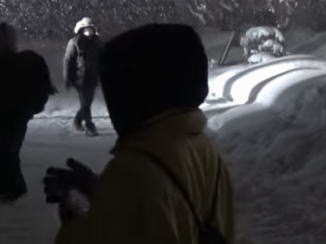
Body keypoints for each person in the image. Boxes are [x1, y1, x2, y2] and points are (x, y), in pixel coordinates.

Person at [44, 24, 235, 243]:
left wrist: (76, 218)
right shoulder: (203, 149)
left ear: (135, 92)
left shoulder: (132, 173)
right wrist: (104, 194)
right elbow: (166, 214)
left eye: (115, 89)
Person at [0, 22, 56, 202]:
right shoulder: (24, 62)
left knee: (8, 151)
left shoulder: (21, 62)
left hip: (13, 115)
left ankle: (13, 188)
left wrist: (25, 110)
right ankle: (13, 187)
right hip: (15, 115)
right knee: (9, 151)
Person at [63, 17, 103, 136]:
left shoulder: (97, 42)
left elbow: (103, 57)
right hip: (80, 78)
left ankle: (77, 121)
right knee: (85, 102)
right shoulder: (74, 42)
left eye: (90, 29)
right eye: (86, 29)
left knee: (87, 103)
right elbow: (68, 61)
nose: (88, 32)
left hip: (92, 77)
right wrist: (67, 79)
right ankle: (89, 126)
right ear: (81, 30)